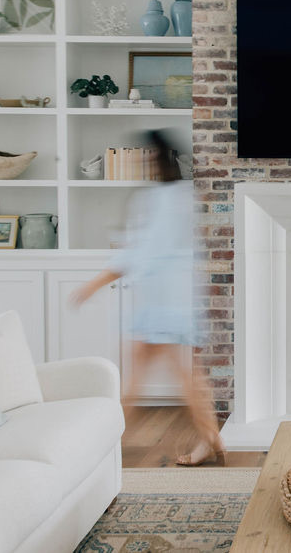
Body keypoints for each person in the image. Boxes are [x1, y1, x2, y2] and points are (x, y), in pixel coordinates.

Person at [72, 130, 225, 466]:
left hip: (161, 304)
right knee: (181, 377)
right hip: (178, 299)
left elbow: (140, 254)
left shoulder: (157, 200)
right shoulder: (187, 195)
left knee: (146, 379)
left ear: (153, 160)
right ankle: (209, 439)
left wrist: (95, 283)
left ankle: (105, 447)